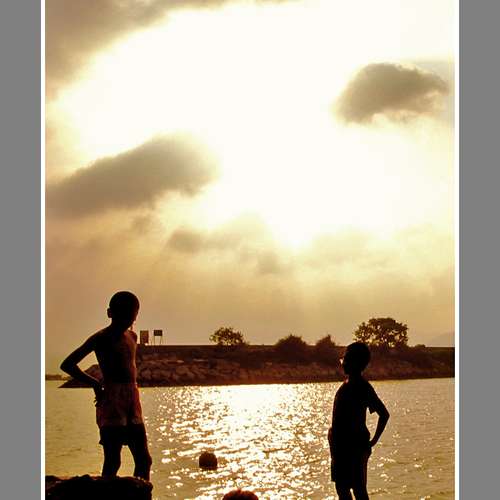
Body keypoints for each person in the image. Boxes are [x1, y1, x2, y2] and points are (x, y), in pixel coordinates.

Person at [60, 291, 152, 480]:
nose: (130, 319)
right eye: (124, 315)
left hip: (132, 399)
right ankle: (106, 492)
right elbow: (68, 364)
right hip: (111, 400)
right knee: (113, 460)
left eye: (133, 314)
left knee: (144, 459)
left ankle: (139, 492)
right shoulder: (100, 338)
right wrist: (95, 383)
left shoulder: (132, 337)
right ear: (110, 313)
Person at [328, 342, 390, 500]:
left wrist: (373, 441)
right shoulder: (346, 385)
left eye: (346, 360)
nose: (343, 363)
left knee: (358, 489)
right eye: (343, 360)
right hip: (340, 447)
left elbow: (384, 414)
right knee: (342, 488)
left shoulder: (363, 387)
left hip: (355, 447)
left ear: (357, 363)